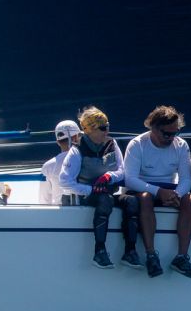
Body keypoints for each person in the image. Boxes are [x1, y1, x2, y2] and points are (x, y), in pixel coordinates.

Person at [59, 107, 140, 269]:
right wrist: (90, 190)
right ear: (90, 130)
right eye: (103, 128)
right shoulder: (76, 150)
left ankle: (130, 251)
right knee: (105, 200)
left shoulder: (112, 143)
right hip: (87, 196)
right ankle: (99, 252)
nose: (107, 131)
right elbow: (65, 181)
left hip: (108, 192)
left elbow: (122, 171)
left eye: (108, 126)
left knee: (131, 201)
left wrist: (110, 176)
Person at [125, 106, 191, 279]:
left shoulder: (181, 145)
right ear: (153, 128)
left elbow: (186, 180)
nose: (172, 138)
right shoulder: (137, 144)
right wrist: (158, 192)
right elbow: (130, 180)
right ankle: (151, 255)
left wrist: (177, 194)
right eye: (167, 134)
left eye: (175, 133)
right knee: (145, 198)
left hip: (169, 193)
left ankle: (181, 257)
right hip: (141, 191)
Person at [39, 120, 81, 205]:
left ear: (58, 142)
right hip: (88, 210)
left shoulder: (48, 166)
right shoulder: (88, 159)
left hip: (60, 211)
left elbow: (44, 201)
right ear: (76, 138)